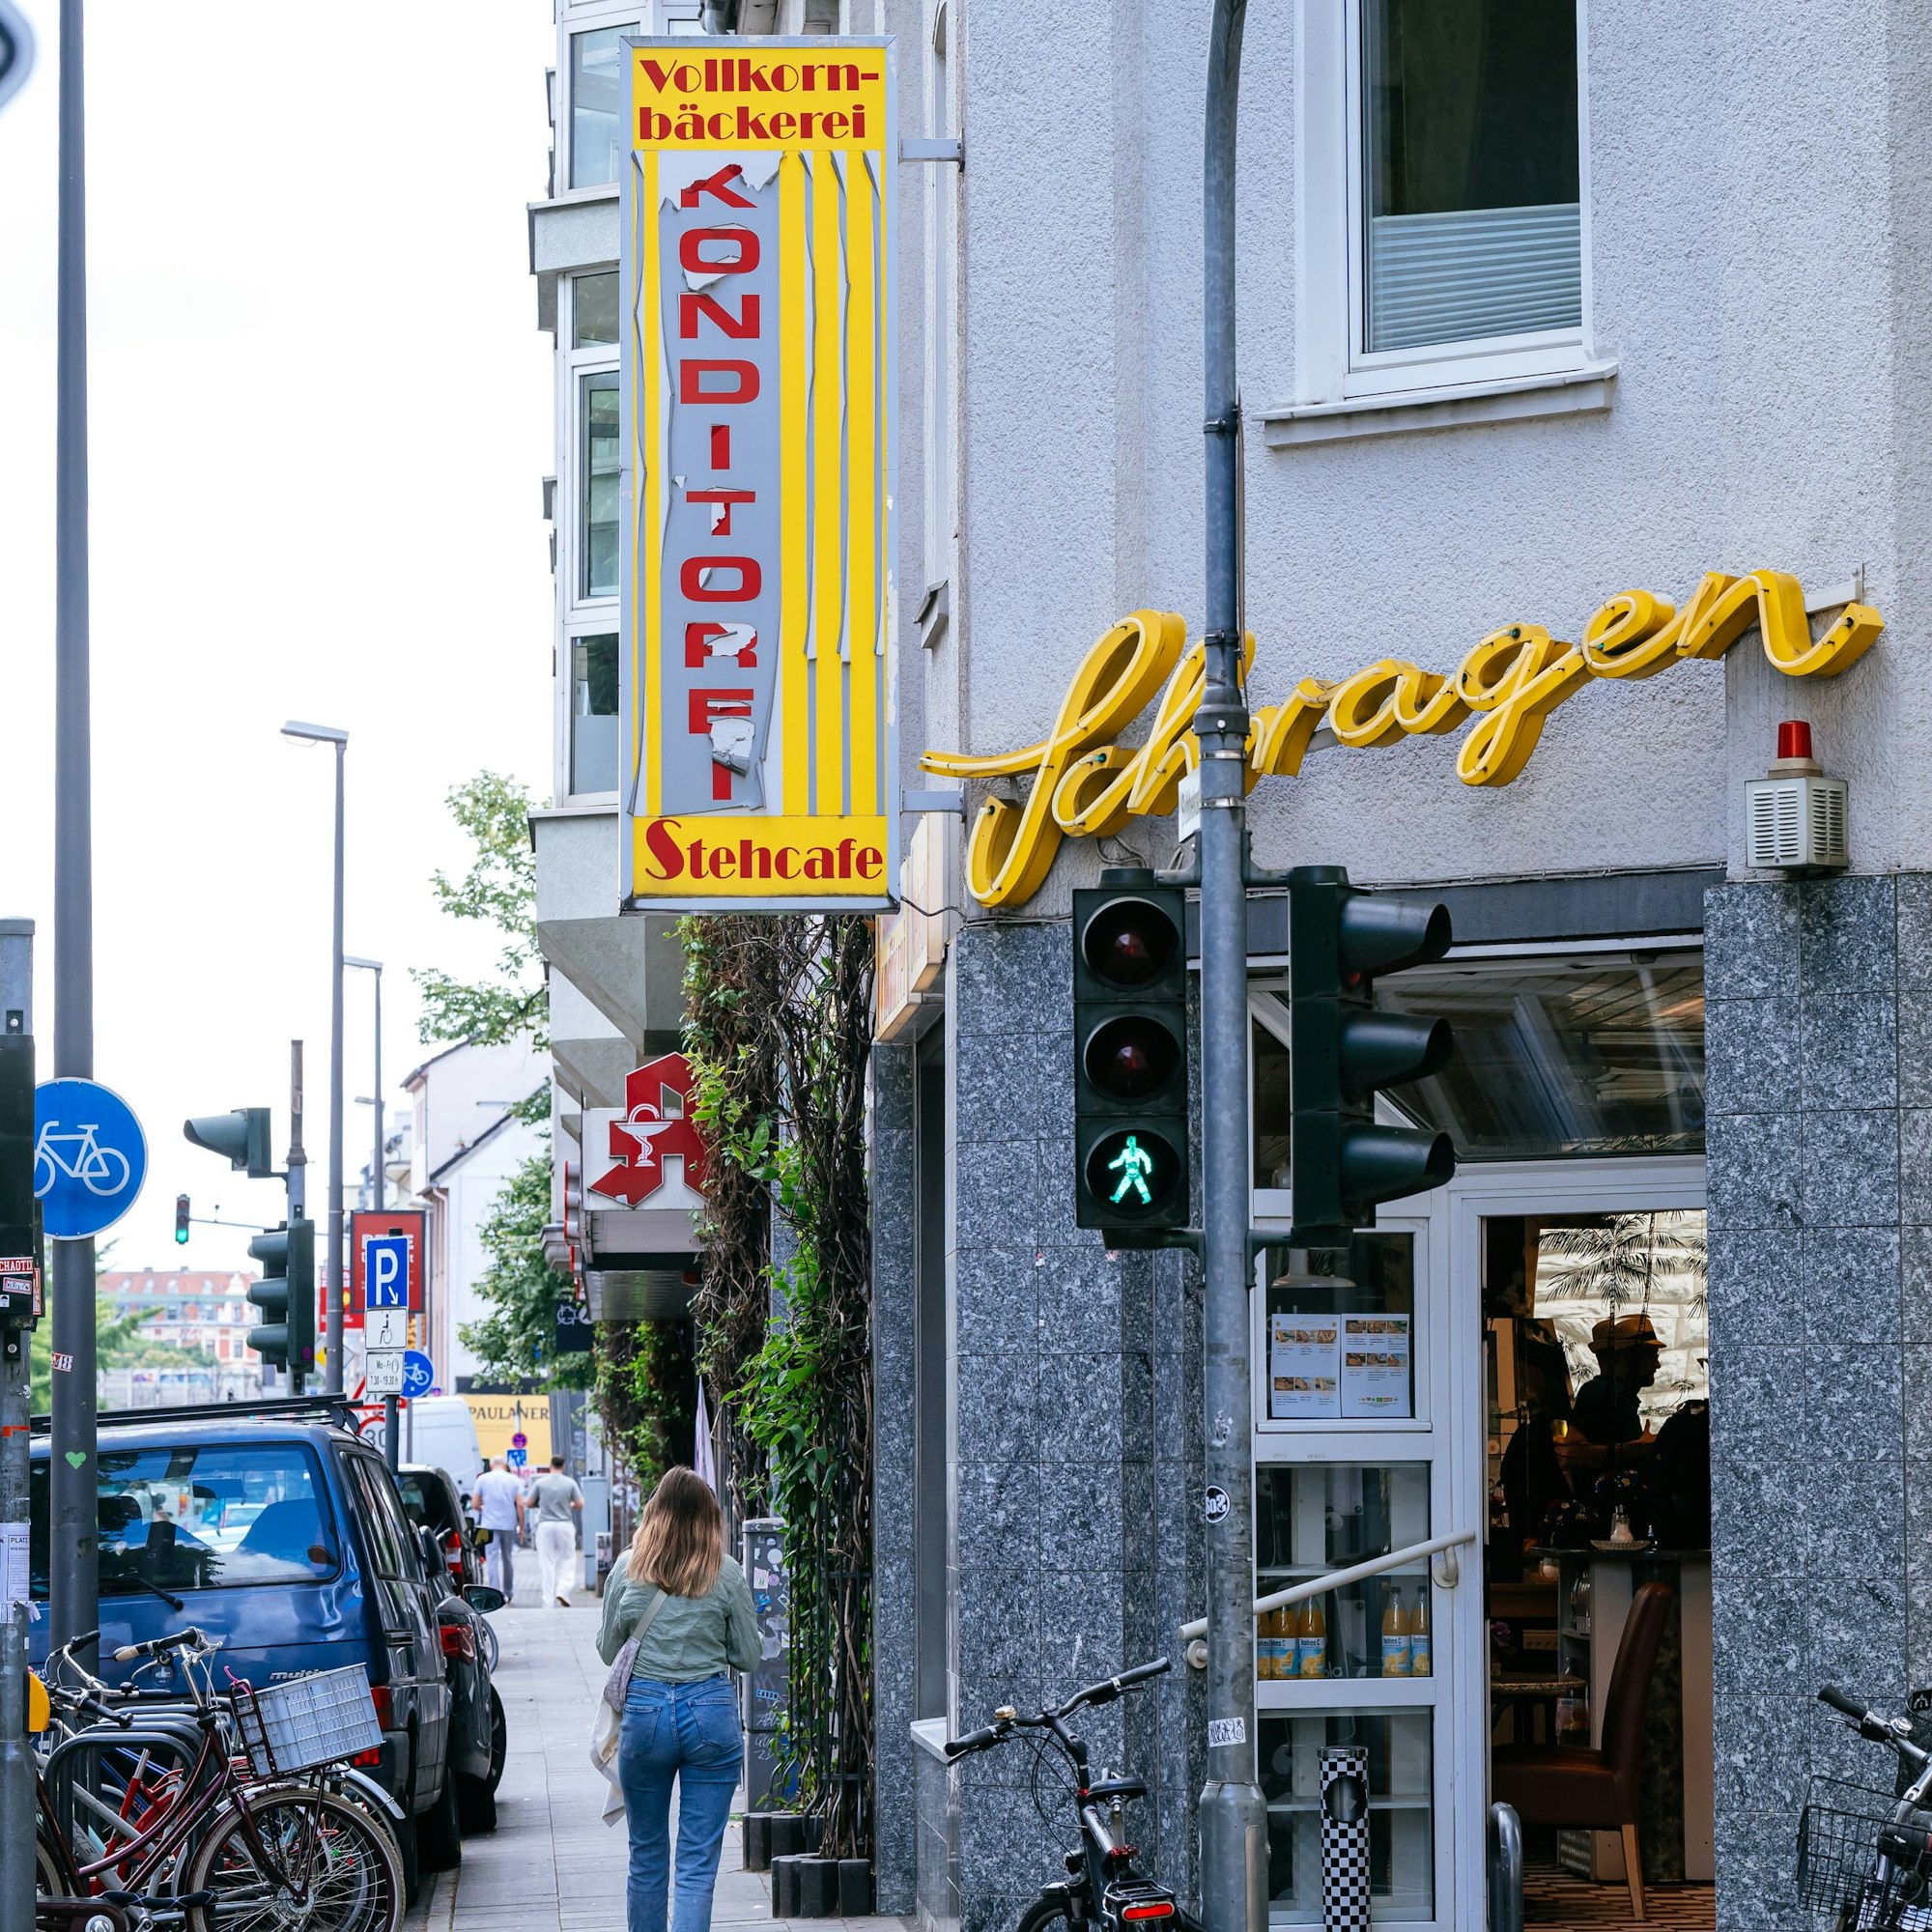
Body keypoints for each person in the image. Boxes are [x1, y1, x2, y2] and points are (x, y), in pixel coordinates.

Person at [597, 1468, 759, 1932]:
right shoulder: (726, 1573)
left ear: (654, 1512)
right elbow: (747, 1656)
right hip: (710, 1712)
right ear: (710, 1517)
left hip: (645, 1716)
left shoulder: (627, 1569)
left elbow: (609, 1650)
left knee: (646, 1856)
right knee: (697, 1863)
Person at [530, 1454, 584, 1607]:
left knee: (547, 1563)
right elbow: (580, 1503)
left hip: (545, 1525)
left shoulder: (541, 1483)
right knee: (567, 1559)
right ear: (564, 1466)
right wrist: (570, 1505)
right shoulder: (570, 1483)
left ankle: (547, 1602)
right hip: (565, 1525)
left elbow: (529, 1502)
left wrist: (541, 1505)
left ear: (550, 1465)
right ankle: (562, 1590)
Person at [472, 1456, 525, 1598]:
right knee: (507, 1558)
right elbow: (520, 1504)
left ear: (490, 1466)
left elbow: (475, 1504)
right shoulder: (514, 1479)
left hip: (488, 1525)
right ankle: (508, 1592)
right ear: (505, 1465)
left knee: (492, 1557)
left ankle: (495, 1594)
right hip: (508, 1524)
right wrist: (522, 1526)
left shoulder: (482, 1479)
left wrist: (486, 1509)